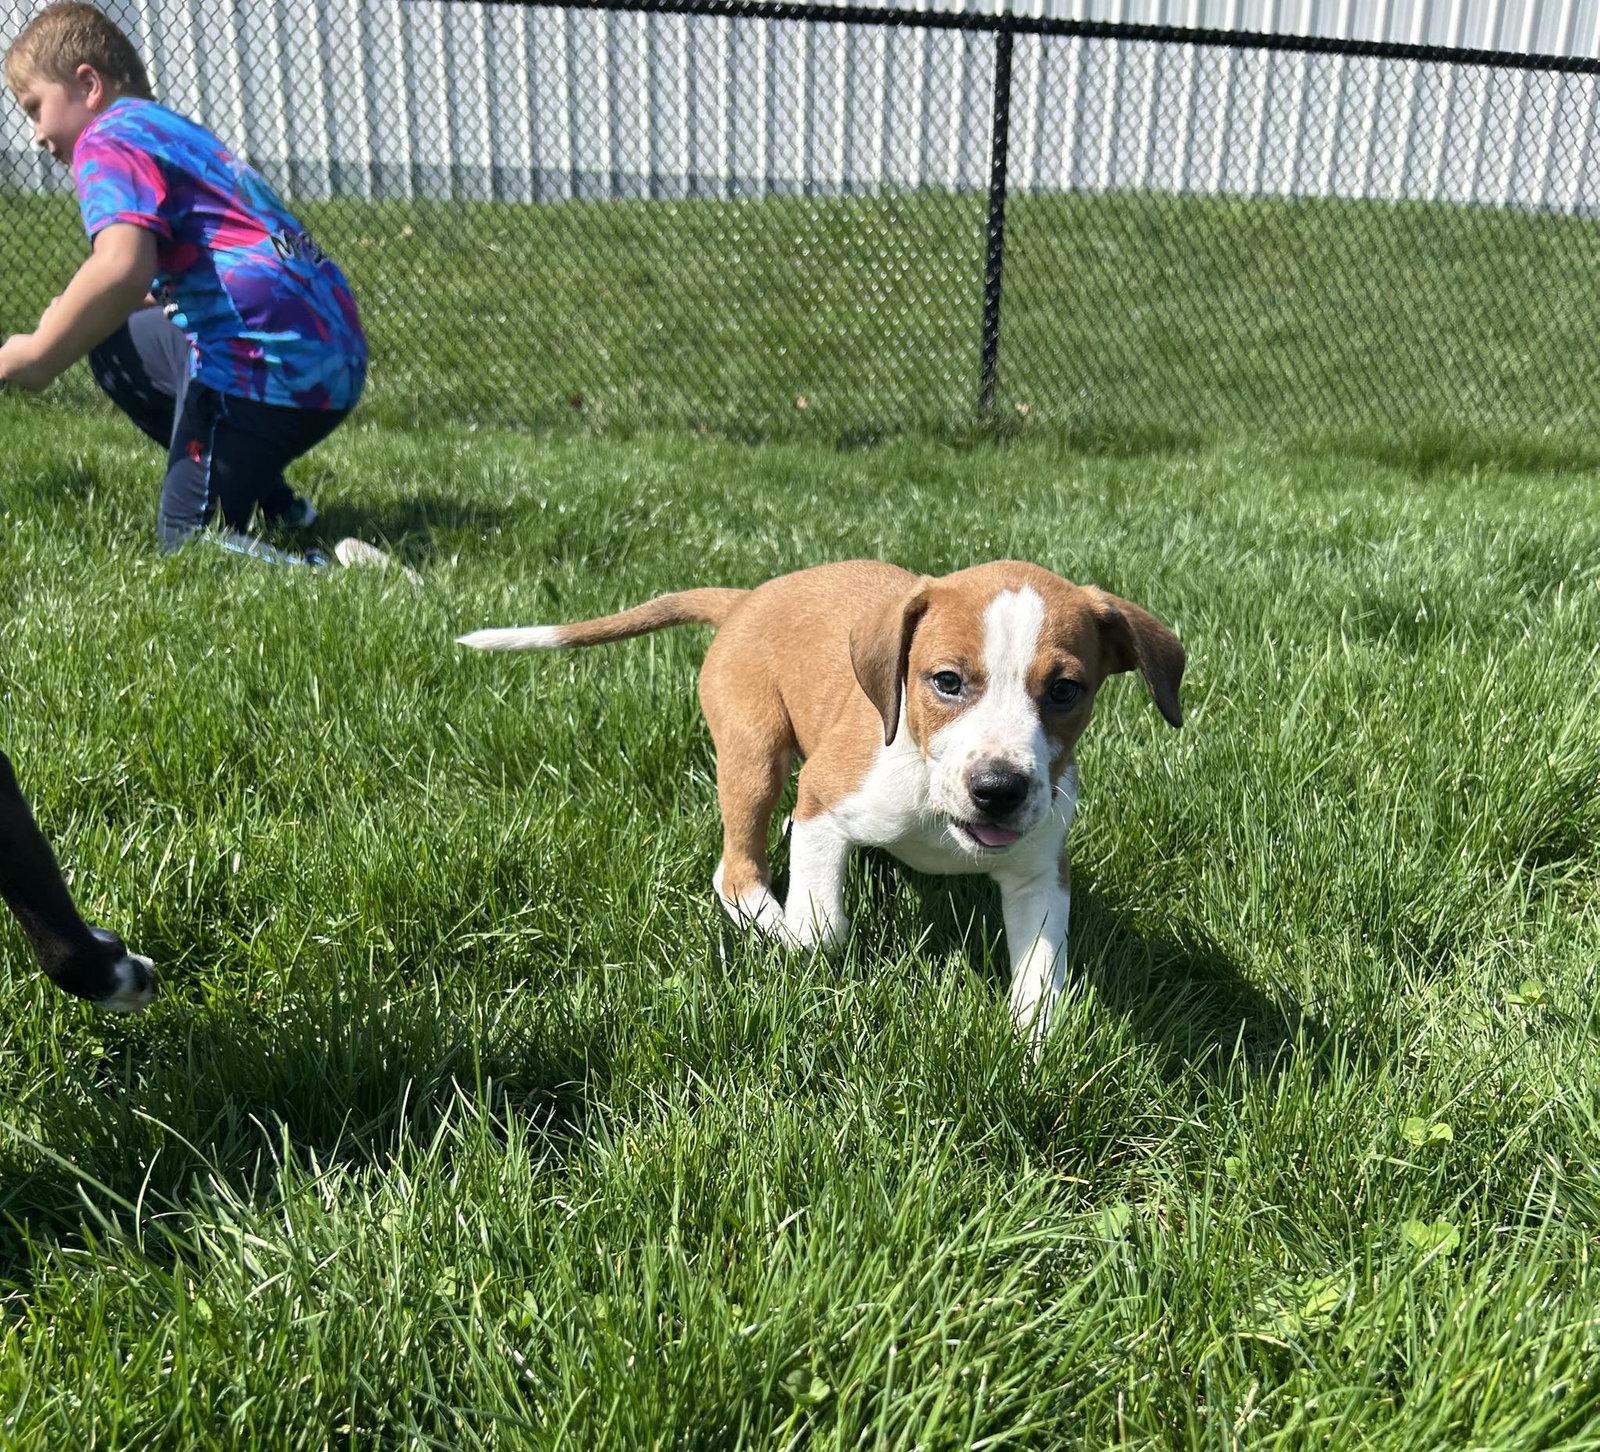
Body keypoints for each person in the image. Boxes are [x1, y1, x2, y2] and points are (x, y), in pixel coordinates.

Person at [0, 2, 367, 559]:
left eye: (34, 107)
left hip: (267, 365)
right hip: (327, 354)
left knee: (189, 545)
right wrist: (80, 311)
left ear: (87, 84)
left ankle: (344, 575)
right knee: (114, 339)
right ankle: (273, 501)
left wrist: (36, 355)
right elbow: (203, 263)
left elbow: (122, 268)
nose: (35, 135)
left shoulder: (105, 139)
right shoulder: (168, 129)